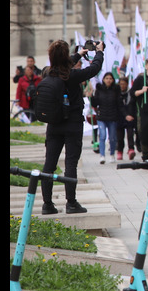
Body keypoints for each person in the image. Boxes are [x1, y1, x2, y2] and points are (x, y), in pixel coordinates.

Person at [40, 40, 105, 214]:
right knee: (70, 164)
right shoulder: (72, 75)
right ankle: (71, 203)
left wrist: (79, 54)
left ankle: (47, 204)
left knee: (49, 165)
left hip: (53, 125)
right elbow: (94, 69)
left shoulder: (47, 73)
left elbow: (61, 63)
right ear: (66, 56)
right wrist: (99, 52)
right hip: (72, 124)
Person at [90, 72, 123, 164]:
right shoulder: (99, 89)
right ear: (103, 79)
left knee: (112, 137)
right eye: (107, 78)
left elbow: (119, 104)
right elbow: (95, 103)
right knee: (102, 136)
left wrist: (123, 114)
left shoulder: (116, 90)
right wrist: (91, 96)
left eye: (110, 78)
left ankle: (112, 154)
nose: (108, 80)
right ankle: (102, 155)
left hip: (113, 117)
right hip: (102, 116)